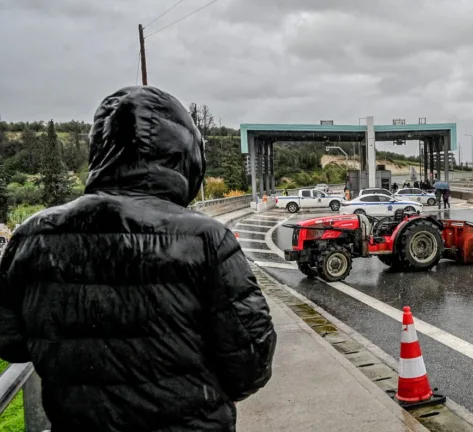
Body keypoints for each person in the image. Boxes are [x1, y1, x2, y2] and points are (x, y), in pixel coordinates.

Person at [0, 86, 276, 432]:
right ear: (184, 155)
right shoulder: (207, 240)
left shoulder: (32, 236)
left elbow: (10, 342)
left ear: (100, 150)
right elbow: (252, 360)